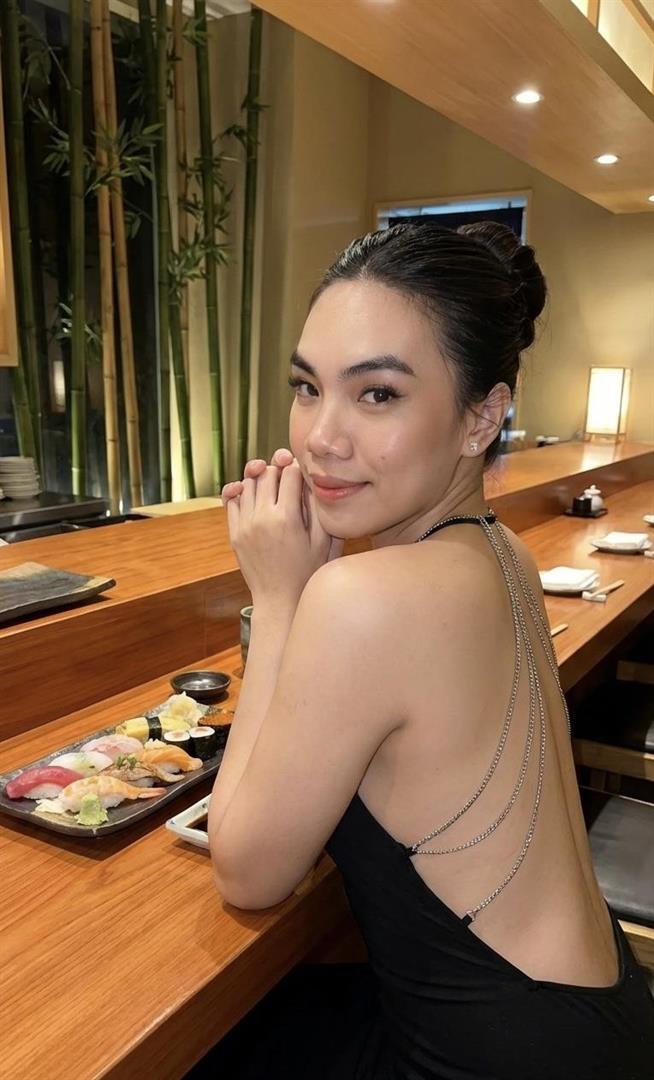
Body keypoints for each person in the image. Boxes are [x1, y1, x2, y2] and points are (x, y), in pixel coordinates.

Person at [198, 221, 654, 1079]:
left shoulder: (365, 599)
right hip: (600, 1017)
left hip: (497, 1056)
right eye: (307, 387)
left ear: (482, 416)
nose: (321, 436)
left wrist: (281, 596)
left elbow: (247, 871)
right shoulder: (505, 551)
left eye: (377, 394)